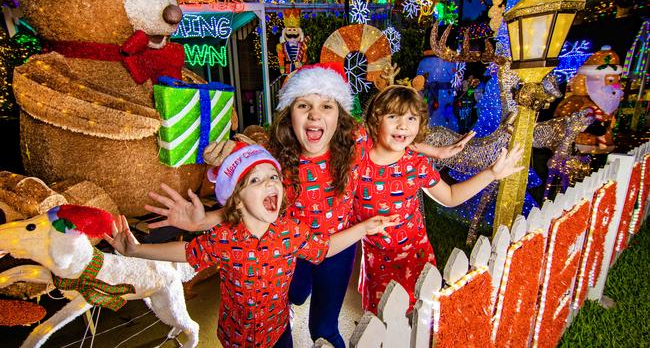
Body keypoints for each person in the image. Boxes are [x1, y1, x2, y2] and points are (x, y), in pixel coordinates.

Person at [144, 63, 473, 347]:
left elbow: (393, 135)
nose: (315, 114)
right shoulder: (273, 162)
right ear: (290, 114)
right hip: (292, 251)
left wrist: (434, 152)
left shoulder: (355, 145)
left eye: (326, 106)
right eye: (304, 106)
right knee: (287, 302)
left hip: (336, 250)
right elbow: (246, 204)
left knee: (325, 328)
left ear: (339, 116)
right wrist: (202, 223)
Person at [105, 143, 397, 348]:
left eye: (273, 177)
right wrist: (136, 250)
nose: (270, 183)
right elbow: (187, 253)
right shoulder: (225, 237)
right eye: (255, 180)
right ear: (237, 200)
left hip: (279, 335)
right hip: (236, 339)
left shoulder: (290, 232)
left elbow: (325, 247)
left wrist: (364, 228)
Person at [355, 85, 524, 314]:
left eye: (411, 118)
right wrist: (436, 151)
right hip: (377, 261)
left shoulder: (416, 164)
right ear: (376, 120)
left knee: (419, 319)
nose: (403, 125)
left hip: (416, 254)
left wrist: (491, 173)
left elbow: (451, 197)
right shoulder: (357, 155)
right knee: (380, 321)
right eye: (393, 116)